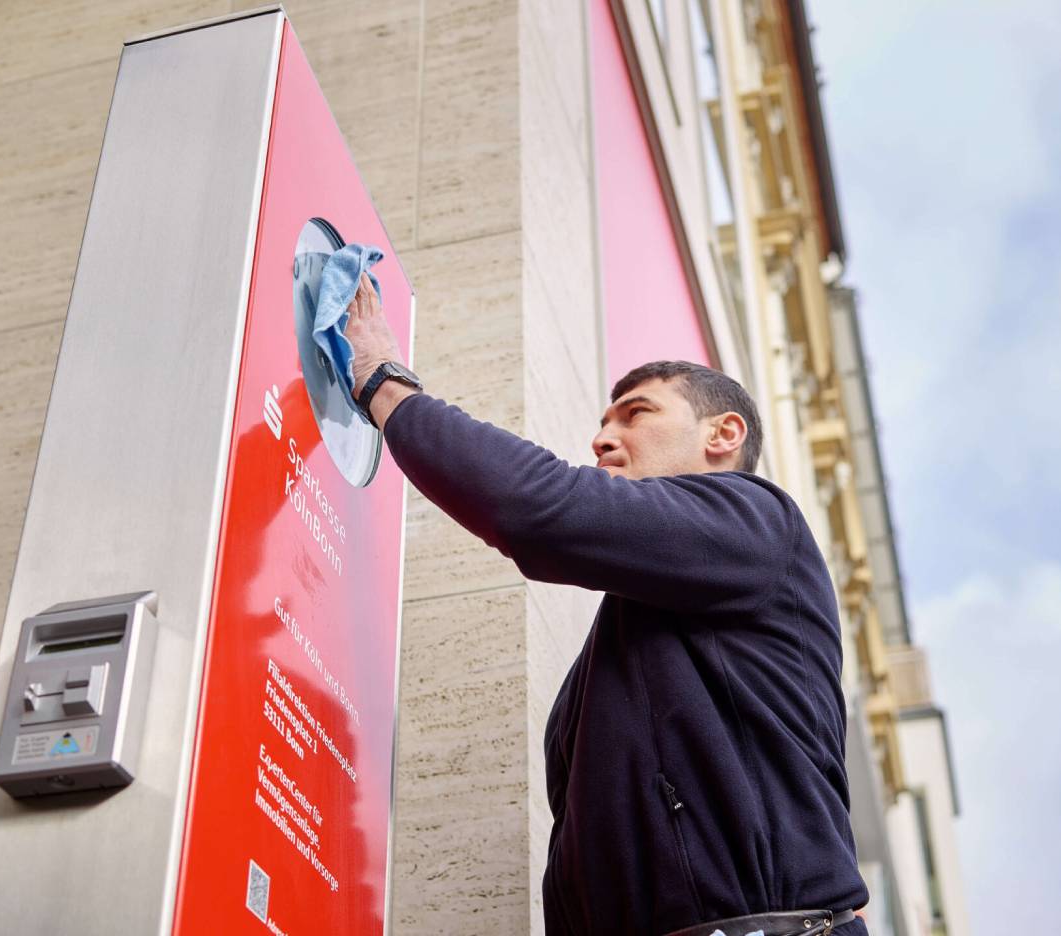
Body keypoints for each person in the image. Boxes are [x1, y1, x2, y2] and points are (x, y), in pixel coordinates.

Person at [344, 275, 869, 936]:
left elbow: (540, 508)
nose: (603, 439)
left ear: (722, 434)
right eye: (602, 422)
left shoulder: (759, 521)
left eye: (637, 414)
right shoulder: (627, 642)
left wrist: (386, 386)